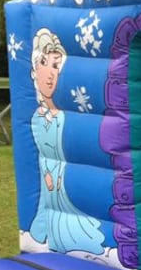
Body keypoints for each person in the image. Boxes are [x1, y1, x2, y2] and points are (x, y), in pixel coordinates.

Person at [28, 28, 105, 255]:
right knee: (50, 208)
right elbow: (47, 152)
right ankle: (42, 235)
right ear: (34, 70)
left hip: (60, 178)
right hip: (53, 177)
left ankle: (47, 234)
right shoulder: (39, 118)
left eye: (55, 66)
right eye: (44, 63)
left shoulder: (61, 116)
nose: (50, 74)